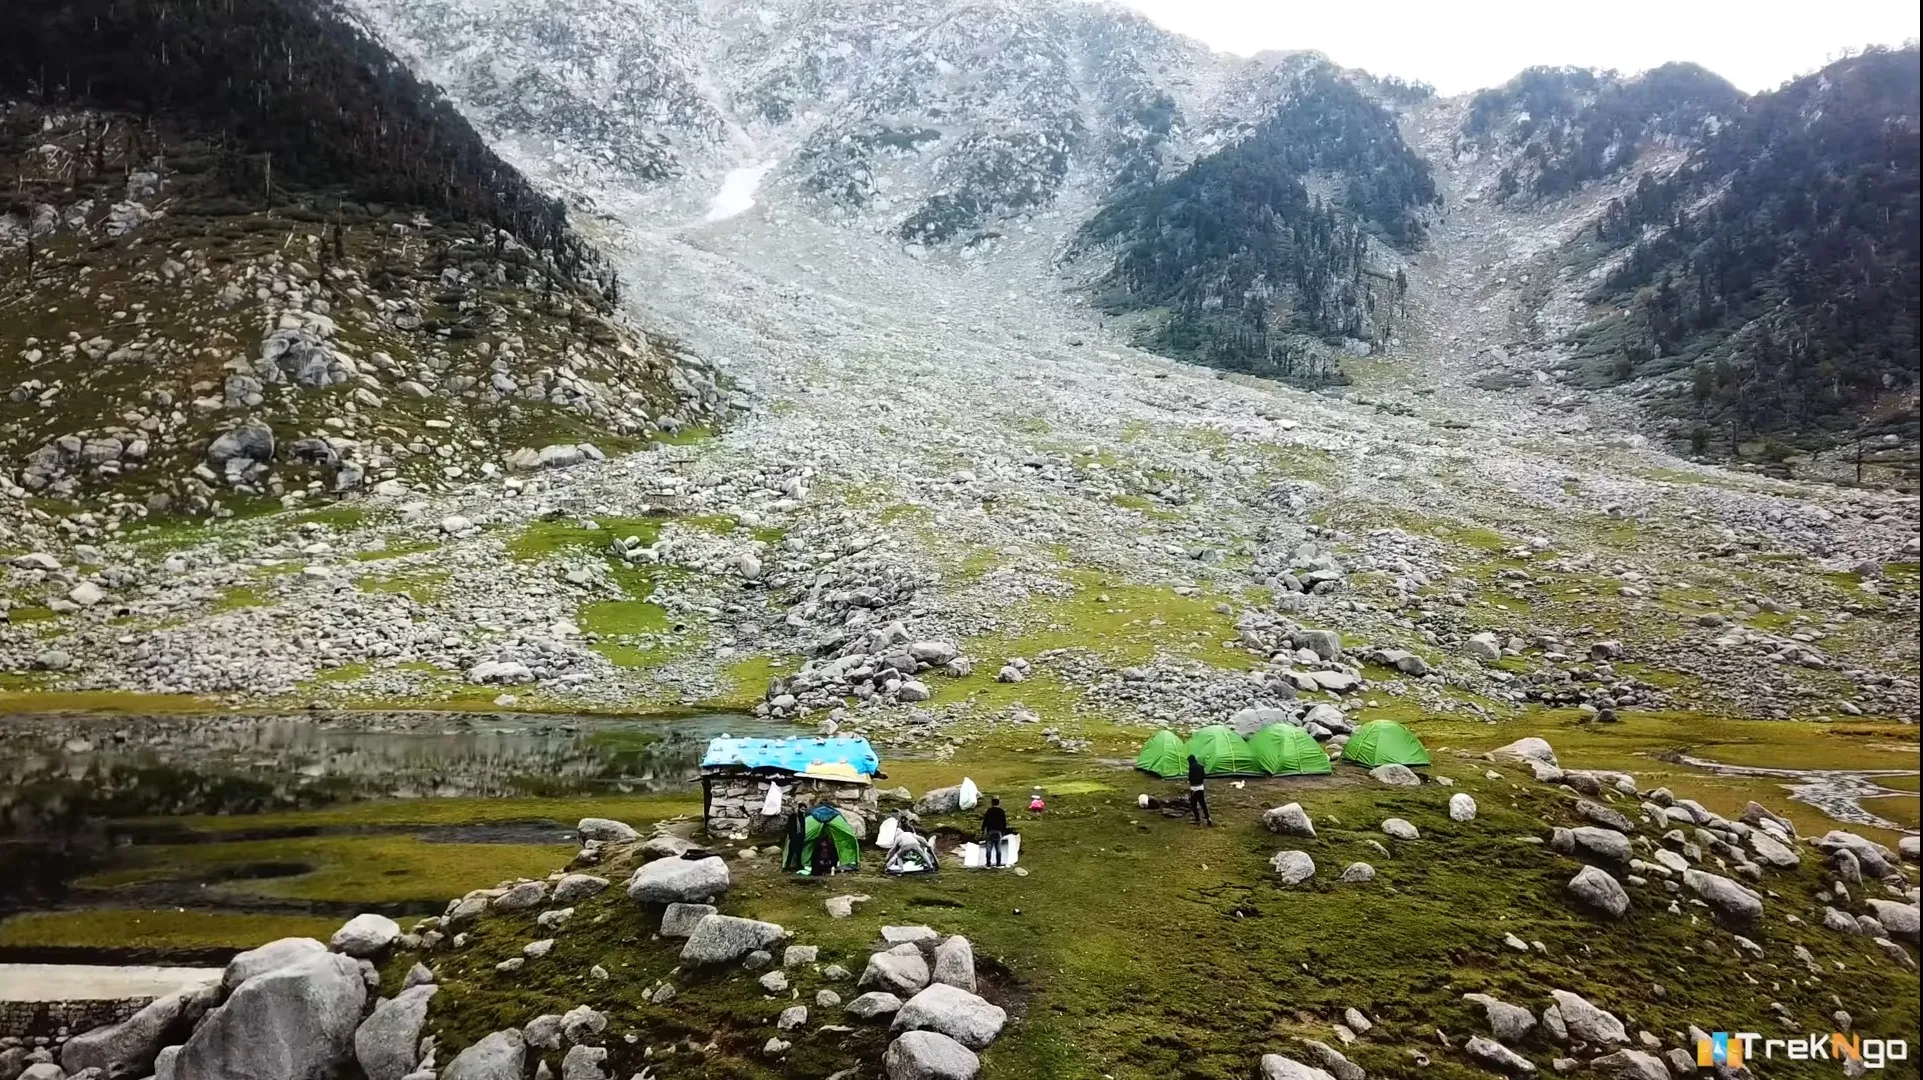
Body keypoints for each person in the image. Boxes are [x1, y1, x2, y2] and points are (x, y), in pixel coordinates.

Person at [1187, 754, 1213, 826]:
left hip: (1193, 789)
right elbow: (1204, 776)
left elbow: (1190, 778)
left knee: (1193, 804)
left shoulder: (1191, 767)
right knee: (1203, 804)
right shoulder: (1201, 767)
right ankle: (1208, 818)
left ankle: (1197, 819)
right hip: (1201, 788)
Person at [982, 796, 1008, 868]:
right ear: (998, 803)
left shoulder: (989, 811)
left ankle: (988, 864)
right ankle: (998, 864)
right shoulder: (1001, 811)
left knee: (989, 848)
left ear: (992, 803)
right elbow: (1004, 822)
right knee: (998, 848)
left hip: (990, 832)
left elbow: (985, 821)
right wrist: (1003, 832)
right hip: (998, 832)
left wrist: (982, 830)